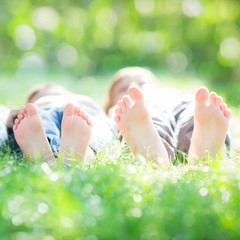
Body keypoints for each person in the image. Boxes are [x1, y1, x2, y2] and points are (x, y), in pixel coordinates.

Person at [105, 67, 231, 168]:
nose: (136, 88)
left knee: (195, 115)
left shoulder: (167, 94)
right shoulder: (124, 111)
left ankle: (200, 147)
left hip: (185, 104)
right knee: (152, 117)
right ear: (110, 103)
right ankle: (154, 151)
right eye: (123, 89)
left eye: (143, 83)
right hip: (143, 113)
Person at [7, 83, 117, 164]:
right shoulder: (35, 111)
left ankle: (42, 159)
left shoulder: (81, 100)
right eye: (42, 95)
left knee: (95, 129)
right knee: (95, 131)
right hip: (46, 110)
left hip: (83, 111)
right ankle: (76, 157)